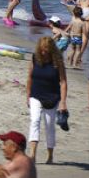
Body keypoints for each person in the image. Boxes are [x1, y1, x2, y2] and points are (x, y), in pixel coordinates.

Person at [27, 35, 68, 164]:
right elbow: (29, 77)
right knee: (35, 120)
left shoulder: (58, 61)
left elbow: (63, 82)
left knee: (49, 126)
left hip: (52, 97)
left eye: (46, 50)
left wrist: (63, 102)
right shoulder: (35, 58)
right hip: (36, 95)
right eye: (42, 49)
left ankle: (50, 155)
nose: (44, 52)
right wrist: (27, 95)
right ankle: (32, 154)